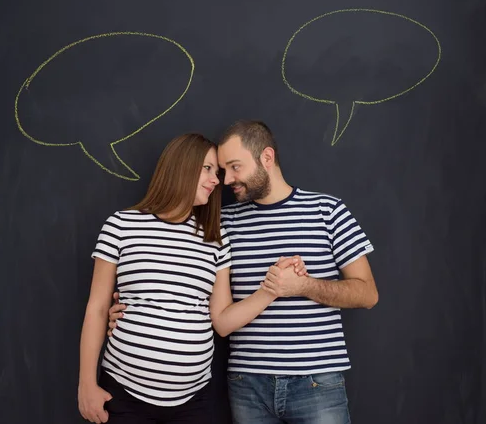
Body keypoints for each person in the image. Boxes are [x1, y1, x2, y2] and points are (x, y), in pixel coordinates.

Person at [109, 120, 379, 424]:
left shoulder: (327, 210)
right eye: (222, 171)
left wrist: (304, 286)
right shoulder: (221, 223)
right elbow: (177, 269)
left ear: (266, 157)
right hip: (247, 384)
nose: (226, 181)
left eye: (235, 167)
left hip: (317, 381)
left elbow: (367, 294)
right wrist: (132, 311)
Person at [78, 132, 306, 424]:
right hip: (123, 393)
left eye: (219, 172)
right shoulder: (122, 225)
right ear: (180, 166)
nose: (217, 180)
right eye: (207, 168)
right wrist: (87, 384)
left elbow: (222, 321)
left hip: (194, 401)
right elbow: (97, 308)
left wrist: (271, 289)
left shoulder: (215, 237)